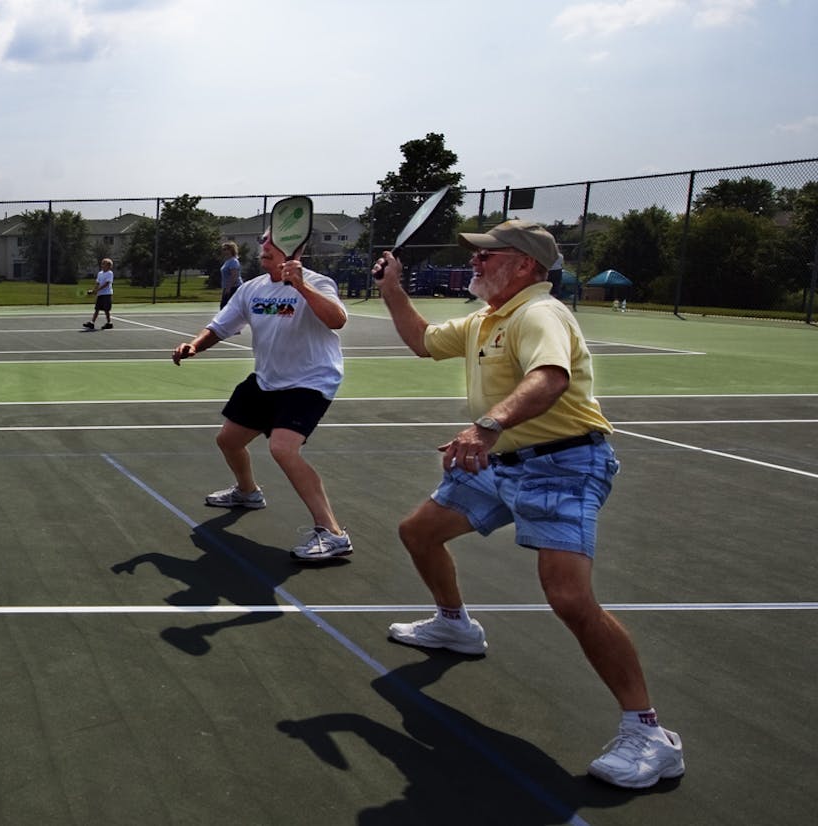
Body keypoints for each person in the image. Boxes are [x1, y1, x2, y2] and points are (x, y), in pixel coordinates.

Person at [370, 219, 682, 789]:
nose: (477, 263)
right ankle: (455, 625)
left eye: (490, 256)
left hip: (563, 464)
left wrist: (488, 425)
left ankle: (650, 734)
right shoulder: (488, 318)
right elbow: (421, 341)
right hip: (502, 462)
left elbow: (550, 378)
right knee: (419, 531)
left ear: (526, 267)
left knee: (568, 598)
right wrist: (393, 288)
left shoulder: (540, 313)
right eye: (479, 256)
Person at [170, 233, 354, 562]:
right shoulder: (252, 289)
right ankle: (248, 493)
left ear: (294, 249)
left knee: (282, 448)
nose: (263, 248)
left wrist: (300, 285)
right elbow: (220, 326)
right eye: (263, 243)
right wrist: (195, 345)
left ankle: (332, 533)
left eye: (272, 243)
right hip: (268, 379)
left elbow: (337, 320)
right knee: (228, 440)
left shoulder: (318, 283)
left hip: (310, 380)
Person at [82, 258, 116, 330]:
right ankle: (92, 323)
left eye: (104, 264)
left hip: (107, 294)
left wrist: (97, 290)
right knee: (97, 309)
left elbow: (106, 284)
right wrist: (94, 290)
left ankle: (109, 323)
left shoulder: (110, 273)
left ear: (109, 266)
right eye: (102, 263)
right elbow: (98, 283)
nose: (102, 265)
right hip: (100, 294)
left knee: (106, 310)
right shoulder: (100, 273)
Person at [217, 241, 243, 307]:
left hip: (234, 288)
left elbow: (234, 276)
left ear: (231, 250)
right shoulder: (227, 261)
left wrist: (229, 288)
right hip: (227, 287)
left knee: (225, 307)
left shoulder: (233, 261)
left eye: (226, 249)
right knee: (224, 307)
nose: (224, 251)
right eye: (223, 249)